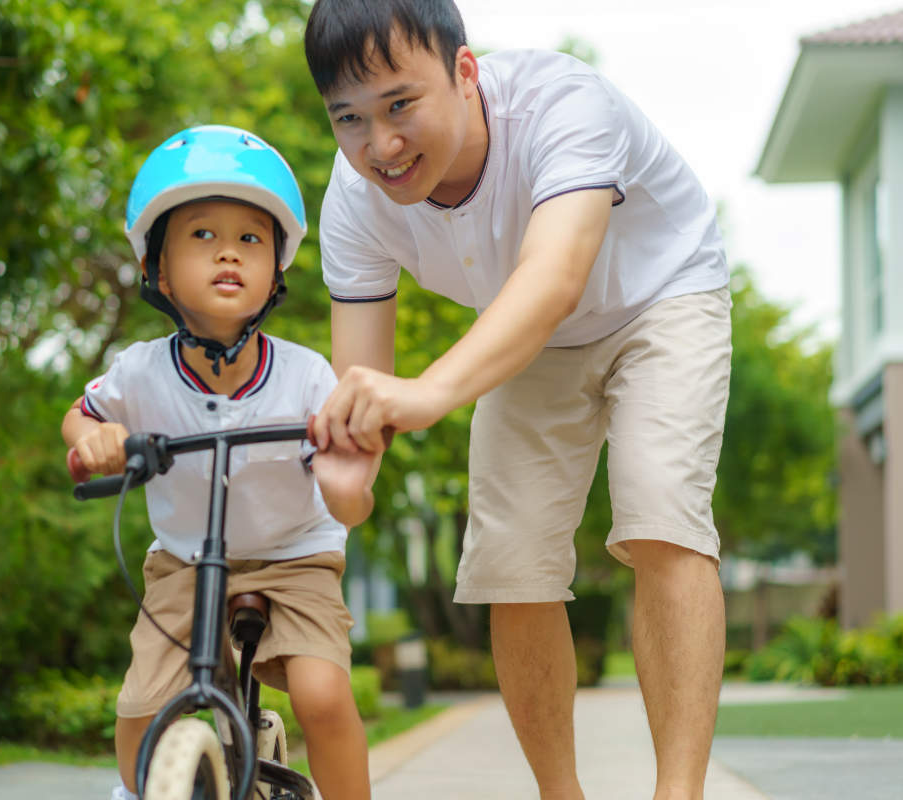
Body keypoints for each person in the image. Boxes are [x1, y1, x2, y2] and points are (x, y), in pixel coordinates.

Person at [302, 2, 731, 799]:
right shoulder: (354, 204)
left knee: (661, 514)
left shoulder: (563, 106)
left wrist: (429, 391)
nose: (382, 146)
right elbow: (360, 392)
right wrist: (344, 483)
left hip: (661, 297)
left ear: (465, 73)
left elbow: (554, 276)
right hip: (529, 334)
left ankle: (680, 793)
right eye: (350, 119)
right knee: (508, 561)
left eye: (401, 104)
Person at [61, 124, 376, 800]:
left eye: (250, 239)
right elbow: (84, 414)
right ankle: (153, 787)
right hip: (182, 559)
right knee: (139, 711)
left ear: (275, 272)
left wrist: (346, 486)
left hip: (296, 556)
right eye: (202, 235)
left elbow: (350, 492)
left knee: (323, 695)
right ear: (159, 269)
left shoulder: (305, 376)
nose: (228, 252)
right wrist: (95, 440)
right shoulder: (141, 372)